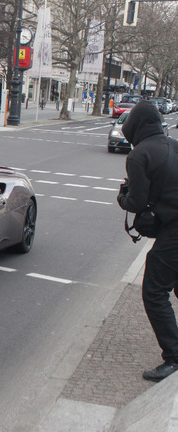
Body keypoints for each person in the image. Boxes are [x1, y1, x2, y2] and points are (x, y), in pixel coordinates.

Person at [117, 100, 178, 382]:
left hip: (173, 232)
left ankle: (174, 357)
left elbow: (137, 201)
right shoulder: (173, 145)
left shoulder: (139, 155)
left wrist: (123, 197)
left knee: (154, 292)